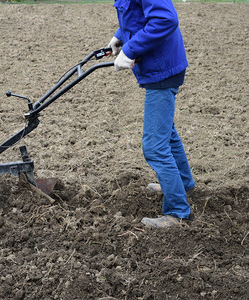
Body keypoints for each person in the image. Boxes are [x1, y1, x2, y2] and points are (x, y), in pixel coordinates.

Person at [108, 0, 195, 228]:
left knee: (155, 146)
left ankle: (177, 212)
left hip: (163, 69)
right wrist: (120, 36)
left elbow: (165, 19)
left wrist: (130, 49)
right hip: (160, 66)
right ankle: (182, 183)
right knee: (167, 133)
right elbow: (138, 14)